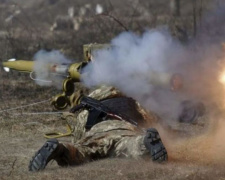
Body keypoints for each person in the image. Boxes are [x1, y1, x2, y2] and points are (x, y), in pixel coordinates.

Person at [29, 85, 168, 172]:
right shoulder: (133, 102)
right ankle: (145, 142)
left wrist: (79, 141)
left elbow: (80, 131)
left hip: (96, 133)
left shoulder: (88, 107)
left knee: (79, 153)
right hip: (124, 130)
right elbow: (151, 119)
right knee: (132, 147)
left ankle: (60, 149)